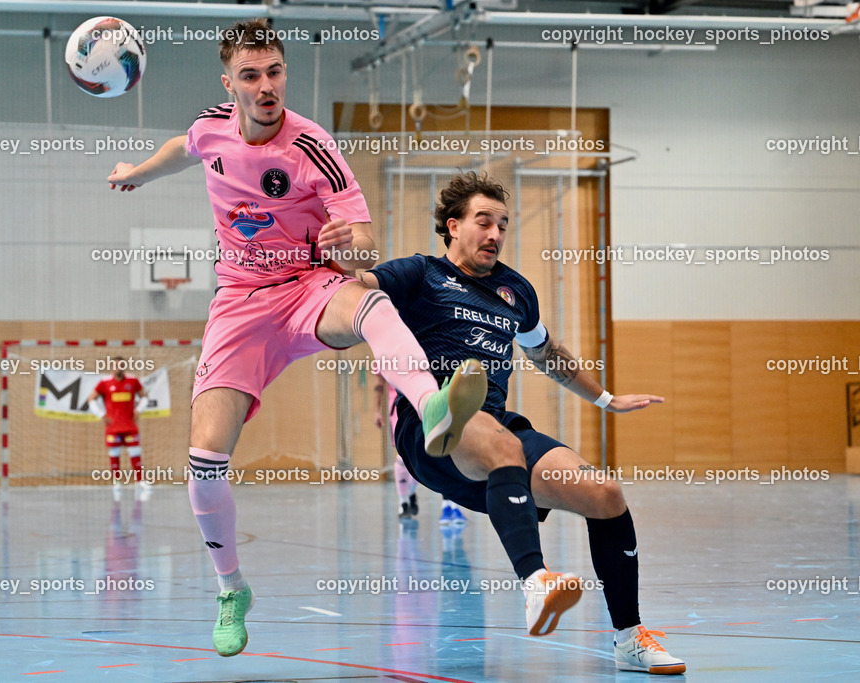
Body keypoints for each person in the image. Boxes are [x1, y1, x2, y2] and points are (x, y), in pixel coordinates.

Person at [105, 18, 487, 657]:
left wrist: (350, 243)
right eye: (250, 76)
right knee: (203, 461)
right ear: (230, 83)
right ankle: (231, 588)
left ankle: (432, 406)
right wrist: (139, 172)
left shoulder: (314, 147)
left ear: (285, 73)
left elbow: (364, 236)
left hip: (308, 286)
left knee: (371, 300)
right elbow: (183, 145)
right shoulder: (212, 128)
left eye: (275, 72)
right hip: (238, 306)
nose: (265, 87)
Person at [359, 171, 686, 675]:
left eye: (503, 225)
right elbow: (354, 288)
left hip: (494, 421)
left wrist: (604, 398)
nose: (495, 234)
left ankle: (629, 640)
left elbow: (547, 352)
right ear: (453, 226)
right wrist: (337, 252)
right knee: (499, 445)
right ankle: (536, 584)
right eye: (483, 222)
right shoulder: (419, 274)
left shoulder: (515, 290)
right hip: (430, 425)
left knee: (604, 495)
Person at [372, 375, 466, 525]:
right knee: (404, 456)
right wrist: (376, 411)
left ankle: (447, 505)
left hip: (427, 404)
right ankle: (403, 502)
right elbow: (379, 383)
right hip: (399, 409)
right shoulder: (387, 355)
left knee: (431, 450)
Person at [86, 370, 151, 501]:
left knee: (135, 452)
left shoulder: (133, 381)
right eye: (115, 365)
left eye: (121, 365)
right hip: (113, 426)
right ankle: (116, 482)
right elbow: (91, 399)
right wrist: (100, 414)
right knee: (114, 454)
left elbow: (144, 396)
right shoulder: (105, 382)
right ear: (112, 367)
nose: (118, 368)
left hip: (129, 425)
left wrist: (138, 410)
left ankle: (140, 481)